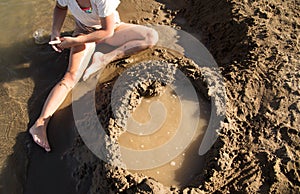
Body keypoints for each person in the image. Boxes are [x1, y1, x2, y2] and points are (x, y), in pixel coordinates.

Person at [29, 0, 158, 152]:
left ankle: (104, 58)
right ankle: (40, 125)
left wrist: (75, 41)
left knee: (151, 36)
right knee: (70, 78)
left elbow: (108, 31)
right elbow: (59, 7)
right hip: (83, 31)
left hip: (110, 31)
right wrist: (55, 32)